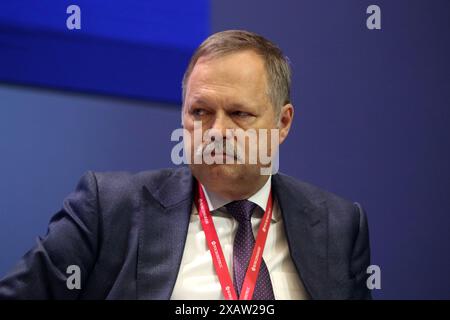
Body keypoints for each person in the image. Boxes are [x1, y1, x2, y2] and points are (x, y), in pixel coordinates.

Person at [0, 30, 371, 300]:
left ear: (282, 123)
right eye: (200, 112)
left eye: (239, 113)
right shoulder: (109, 208)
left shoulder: (338, 225)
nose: (216, 131)